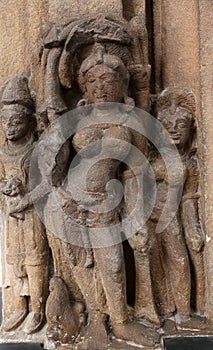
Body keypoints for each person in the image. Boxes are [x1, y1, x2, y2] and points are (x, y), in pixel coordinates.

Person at [58, 44, 159, 347]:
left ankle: (122, 322)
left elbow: (138, 165)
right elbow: (60, 159)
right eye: (92, 82)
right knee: (80, 264)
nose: (101, 88)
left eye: (109, 81)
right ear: (84, 87)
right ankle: (95, 319)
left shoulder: (130, 120)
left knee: (113, 264)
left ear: (122, 85)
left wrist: (136, 211)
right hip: (70, 201)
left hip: (106, 202)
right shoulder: (78, 118)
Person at [149, 87, 205, 327]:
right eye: (167, 125)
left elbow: (189, 198)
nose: (172, 129)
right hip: (151, 219)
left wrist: (193, 227)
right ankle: (164, 310)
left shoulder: (191, 164)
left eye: (180, 124)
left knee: (181, 261)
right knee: (156, 267)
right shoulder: (155, 160)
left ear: (190, 130)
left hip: (172, 219)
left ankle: (185, 313)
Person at [0, 75, 49, 334]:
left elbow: (48, 183)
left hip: (33, 215)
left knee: (34, 260)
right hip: (12, 215)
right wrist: (6, 188)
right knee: (14, 260)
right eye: (5, 121)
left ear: (30, 122)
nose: (9, 127)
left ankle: (38, 309)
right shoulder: (3, 152)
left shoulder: (36, 150)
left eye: (16, 121)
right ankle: (19, 306)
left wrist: (25, 200)